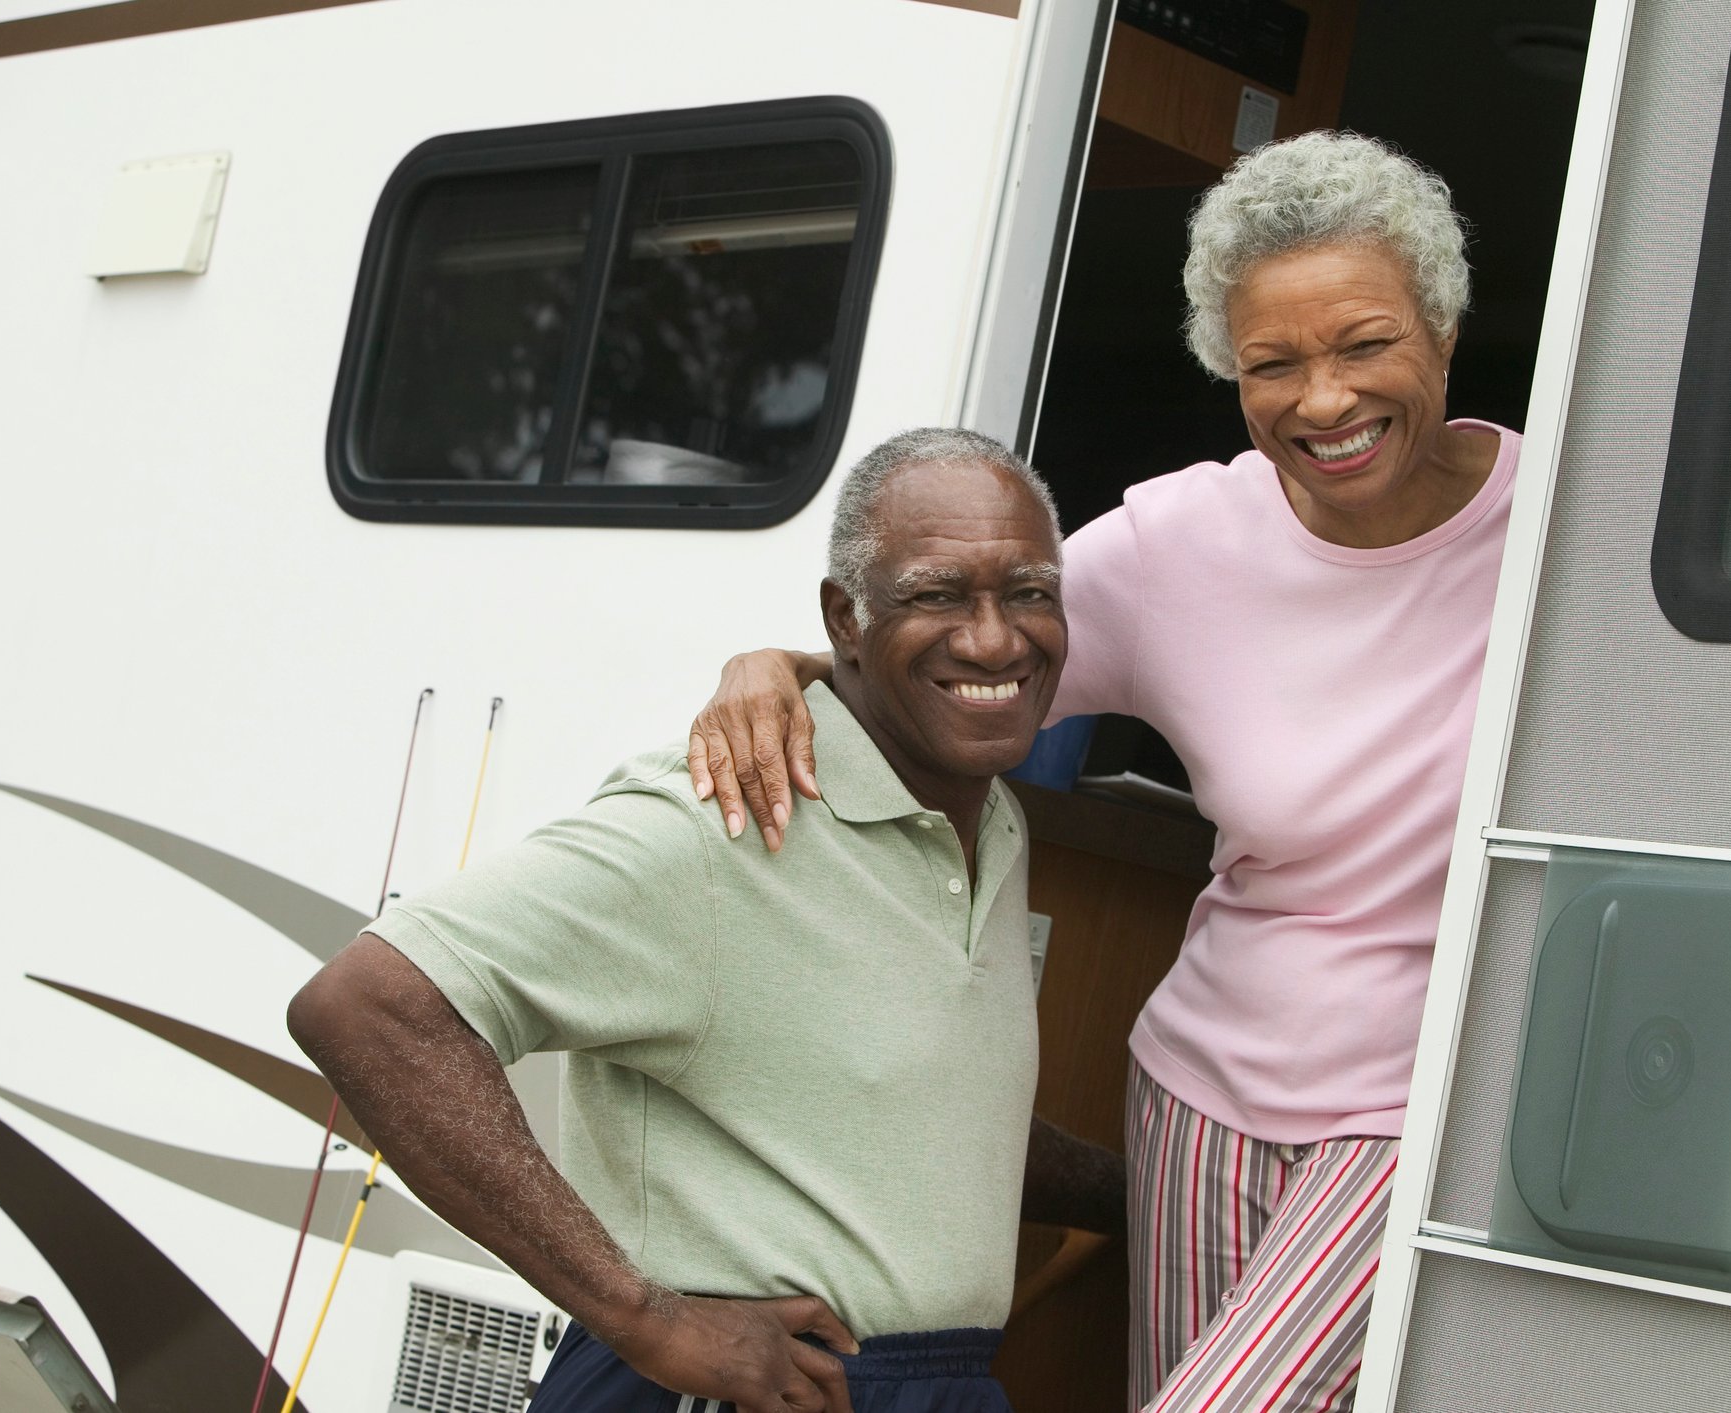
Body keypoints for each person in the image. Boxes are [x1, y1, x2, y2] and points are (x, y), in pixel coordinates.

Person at [683, 132, 1520, 1412]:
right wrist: (781, 666)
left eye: (1362, 344)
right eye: (1270, 365)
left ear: (1441, 327)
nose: (1322, 401)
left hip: (1434, 1096)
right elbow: (958, 663)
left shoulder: (1567, 521)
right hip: (1203, 1089)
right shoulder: (1183, 542)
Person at [288, 428, 1126, 1413]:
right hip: (748, 1385)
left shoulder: (988, 821)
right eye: (936, 593)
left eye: (1027, 591)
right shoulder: (724, 819)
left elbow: (921, 1124)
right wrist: (647, 1319)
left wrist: (1143, 1196)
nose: (994, 638)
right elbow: (368, 1006)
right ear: (844, 620)